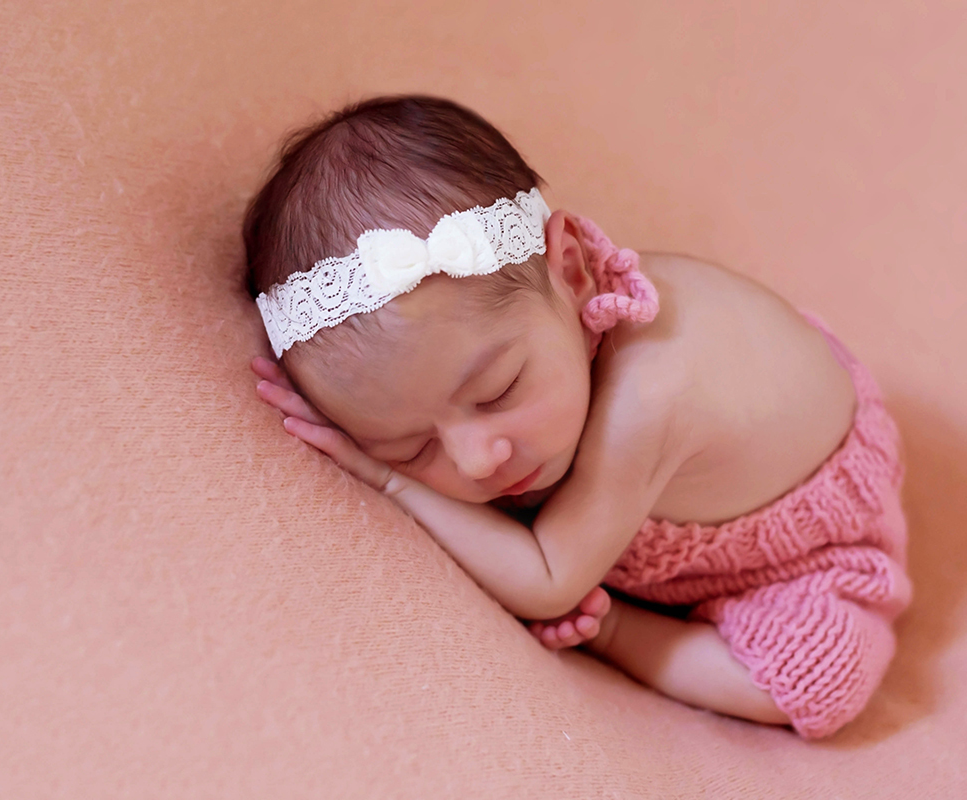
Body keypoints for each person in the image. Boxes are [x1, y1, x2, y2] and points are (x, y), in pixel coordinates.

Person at [243, 95, 911, 739]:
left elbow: (546, 582)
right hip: (692, 460)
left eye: (498, 390)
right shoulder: (529, 359)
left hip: (812, 542)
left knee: (818, 677)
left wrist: (393, 480)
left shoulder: (649, 398)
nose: (479, 460)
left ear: (574, 270)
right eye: (408, 445)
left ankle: (622, 627)